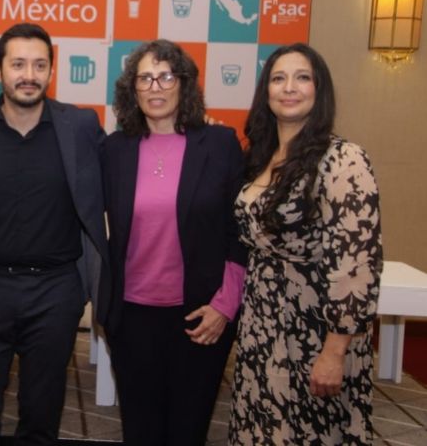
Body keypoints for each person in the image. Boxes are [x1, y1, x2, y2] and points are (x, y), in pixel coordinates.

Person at [0, 22, 108, 446]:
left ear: (51, 71)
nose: (29, 74)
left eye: (40, 65)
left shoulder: (80, 126)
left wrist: (189, 130)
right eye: (18, 64)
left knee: (42, 412)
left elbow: (125, 164)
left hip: (56, 290)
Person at [229, 43, 383, 445]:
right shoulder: (259, 158)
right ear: (266, 91)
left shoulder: (343, 160)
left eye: (302, 78)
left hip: (314, 333)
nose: (289, 87)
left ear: (320, 89)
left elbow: (358, 264)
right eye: (278, 78)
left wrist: (334, 352)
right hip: (260, 329)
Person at [97, 39, 247, 445]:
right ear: (133, 88)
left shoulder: (219, 145)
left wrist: (225, 305)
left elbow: (241, 233)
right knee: (140, 428)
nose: (156, 86)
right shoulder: (113, 150)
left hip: (200, 316)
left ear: (184, 84)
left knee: (188, 428)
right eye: (145, 77)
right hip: (131, 316)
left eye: (166, 76)